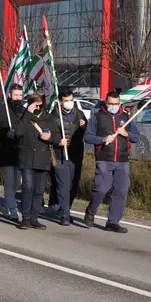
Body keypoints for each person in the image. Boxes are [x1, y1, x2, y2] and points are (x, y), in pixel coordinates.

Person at [83, 91, 140, 233]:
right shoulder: (97, 116)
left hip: (122, 160)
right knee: (101, 189)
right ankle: (91, 211)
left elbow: (136, 137)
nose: (113, 106)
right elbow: (88, 137)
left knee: (121, 190)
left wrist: (125, 134)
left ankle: (113, 221)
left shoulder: (126, 116)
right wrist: (103, 139)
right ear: (105, 103)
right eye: (110, 104)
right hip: (104, 158)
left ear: (120, 103)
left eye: (116, 104)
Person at [14, 93, 62, 230]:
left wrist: (50, 137)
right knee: (28, 187)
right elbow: (17, 133)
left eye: (40, 103)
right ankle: (26, 218)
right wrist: (27, 114)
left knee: (39, 190)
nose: (37, 105)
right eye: (34, 103)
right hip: (27, 158)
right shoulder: (23, 117)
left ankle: (34, 218)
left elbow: (58, 137)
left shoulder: (50, 118)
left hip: (43, 158)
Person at [50, 90, 87, 225]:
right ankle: (65, 215)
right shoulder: (54, 116)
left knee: (73, 186)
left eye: (71, 99)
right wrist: (57, 141)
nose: (69, 103)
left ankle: (64, 208)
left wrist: (85, 127)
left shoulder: (79, 114)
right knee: (63, 186)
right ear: (60, 102)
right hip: (60, 155)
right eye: (66, 101)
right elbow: (49, 134)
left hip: (76, 155)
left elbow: (87, 132)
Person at [0, 84, 26, 221]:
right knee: (9, 182)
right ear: (10, 95)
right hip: (6, 151)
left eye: (20, 95)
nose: (18, 98)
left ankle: (5, 204)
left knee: (17, 183)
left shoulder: (23, 111)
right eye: (15, 95)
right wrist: (3, 134)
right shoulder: (2, 110)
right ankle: (13, 210)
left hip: (20, 152)